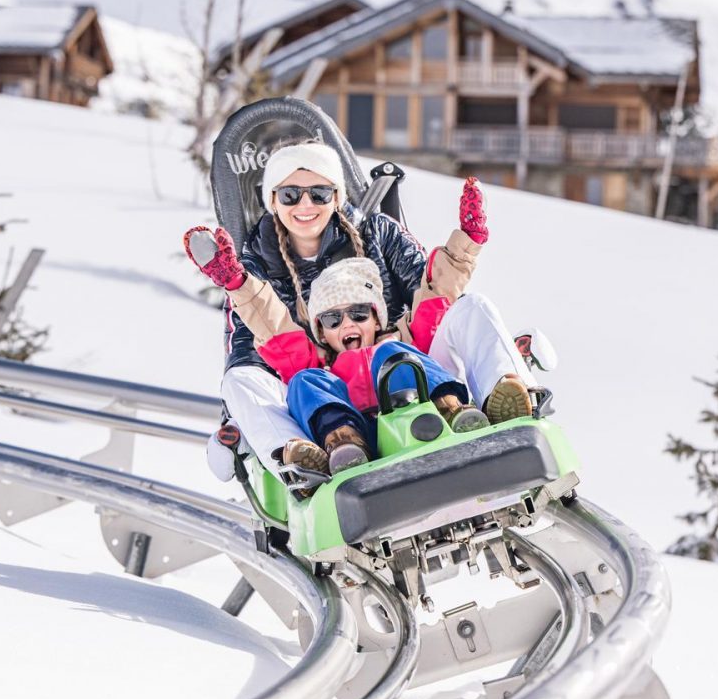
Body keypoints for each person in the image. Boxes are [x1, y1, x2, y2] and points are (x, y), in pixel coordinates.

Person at [187, 139, 537, 467]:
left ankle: (495, 400)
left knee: (465, 310)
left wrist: (468, 241)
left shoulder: (381, 252)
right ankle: (304, 459)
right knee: (277, 380)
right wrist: (237, 283)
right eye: (291, 195)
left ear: (337, 197)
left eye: (319, 193)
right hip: (344, 425)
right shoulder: (311, 352)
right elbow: (272, 329)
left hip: (417, 401)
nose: (305, 205)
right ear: (273, 201)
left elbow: (435, 295)